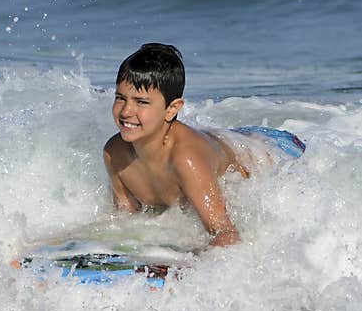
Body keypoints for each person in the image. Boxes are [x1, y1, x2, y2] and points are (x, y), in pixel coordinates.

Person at [103, 43, 305, 247]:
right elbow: (125, 220)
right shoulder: (114, 153)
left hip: (274, 149)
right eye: (120, 98)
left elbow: (226, 233)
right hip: (223, 140)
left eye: (141, 102)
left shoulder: (185, 161)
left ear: (172, 109)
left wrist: (184, 267)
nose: (126, 111)